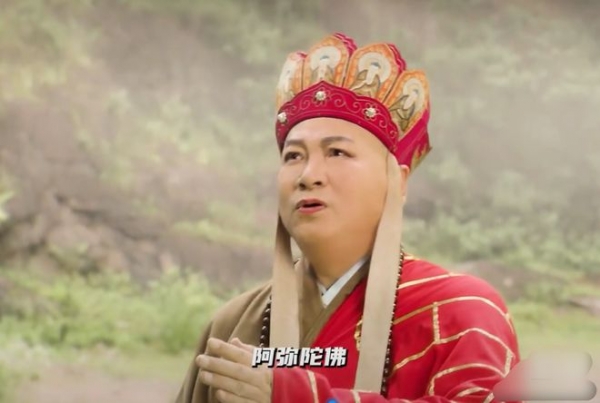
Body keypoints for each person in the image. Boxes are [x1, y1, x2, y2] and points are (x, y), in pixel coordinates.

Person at [175, 32, 521, 403]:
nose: (308, 175)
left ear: (397, 181)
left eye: (337, 152)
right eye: (293, 156)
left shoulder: (459, 312)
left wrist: (301, 397)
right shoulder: (235, 324)